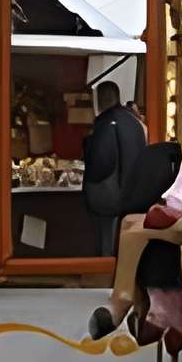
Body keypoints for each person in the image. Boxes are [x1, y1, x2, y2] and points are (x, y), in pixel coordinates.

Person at [78, 80, 148, 254]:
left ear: (100, 99)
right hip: (132, 193)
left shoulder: (106, 124)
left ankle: (105, 273)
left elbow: (100, 162)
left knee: (106, 242)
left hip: (108, 195)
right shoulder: (133, 121)